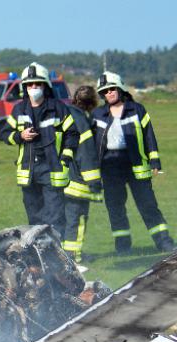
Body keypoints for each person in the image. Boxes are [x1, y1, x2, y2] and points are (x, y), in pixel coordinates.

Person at [91, 71, 174, 253]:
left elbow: (149, 135)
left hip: (135, 164)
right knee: (115, 207)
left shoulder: (137, 109)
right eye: (104, 91)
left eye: (112, 89)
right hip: (110, 165)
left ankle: (164, 242)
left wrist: (154, 161)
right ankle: (123, 247)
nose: (109, 93)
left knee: (148, 205)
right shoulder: (97, 114)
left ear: (120, 88)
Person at [0, 62, 79, 239]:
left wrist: (65, 158)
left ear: (45, 85)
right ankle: (38, 253)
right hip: (28, 172)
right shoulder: (19, 109)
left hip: (53, 169)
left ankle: (57, 253)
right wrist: (20, 135)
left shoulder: (58, 108)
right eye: (30, 84)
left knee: (55, 217)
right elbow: (3, 133)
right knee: (34, 219)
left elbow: (72, 134)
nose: (33, 87)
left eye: (37, 84)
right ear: (24, 87)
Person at [61, 85, 103, 264]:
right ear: (92, 103)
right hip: (76, 181)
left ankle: (61, 256)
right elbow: (86, 154)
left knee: (62, 219)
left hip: (57, 177)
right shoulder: (82, 121)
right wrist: (94, 182)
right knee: (77, 220)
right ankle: (73, 258)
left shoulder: (64, 113)